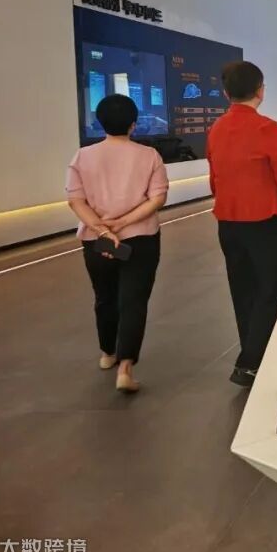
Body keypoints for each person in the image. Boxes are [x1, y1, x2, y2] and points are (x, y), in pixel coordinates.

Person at [208, 61, 277, 388]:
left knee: (243, 288)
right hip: (264, 221)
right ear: (260, 91)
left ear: (226, 93)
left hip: (228, 221)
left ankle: (253, 353)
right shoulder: (267, 128)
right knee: (271, 287)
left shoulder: (217, 128)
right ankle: (250, 361)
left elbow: (215, 178)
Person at [66, 94, 168, 394]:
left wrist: (102, 228)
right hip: (141, 239)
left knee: (105, 297)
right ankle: (126, 367)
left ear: (100, 123)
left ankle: (107, 352)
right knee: (134, 300)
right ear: (133, 124)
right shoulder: (149, 156)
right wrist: (122, 223)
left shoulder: (82, 157)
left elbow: (75, 200)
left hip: (96, 242)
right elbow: (158, 198)